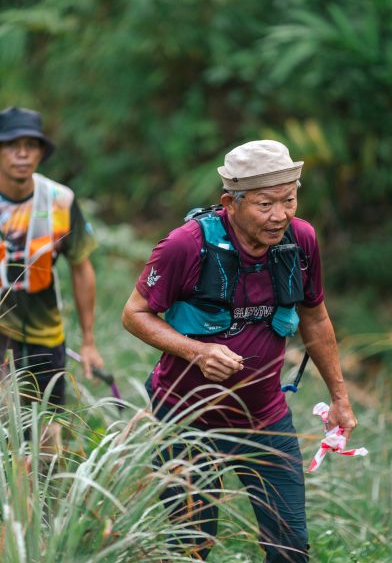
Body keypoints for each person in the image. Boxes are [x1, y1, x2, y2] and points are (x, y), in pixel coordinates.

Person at [122, 139, 357, 562]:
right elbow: (134, 314)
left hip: (265, 419)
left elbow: (316, 319)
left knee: (290, 548)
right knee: (190, 548)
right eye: (266, 204)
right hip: (185, 420)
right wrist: (196, 352)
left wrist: (340, 398)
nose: (280, 215)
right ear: (231, 203)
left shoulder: (300, 240)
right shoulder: (185, 245)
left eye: (289, 200)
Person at [0, 106, 103, 453]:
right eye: (12, 145)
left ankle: (43, 487)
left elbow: (81, 266)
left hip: (45, 333)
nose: (22, 154)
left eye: (31, 145)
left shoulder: (60, 200)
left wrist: (88, 341)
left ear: (41, 152)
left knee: (46, 428)